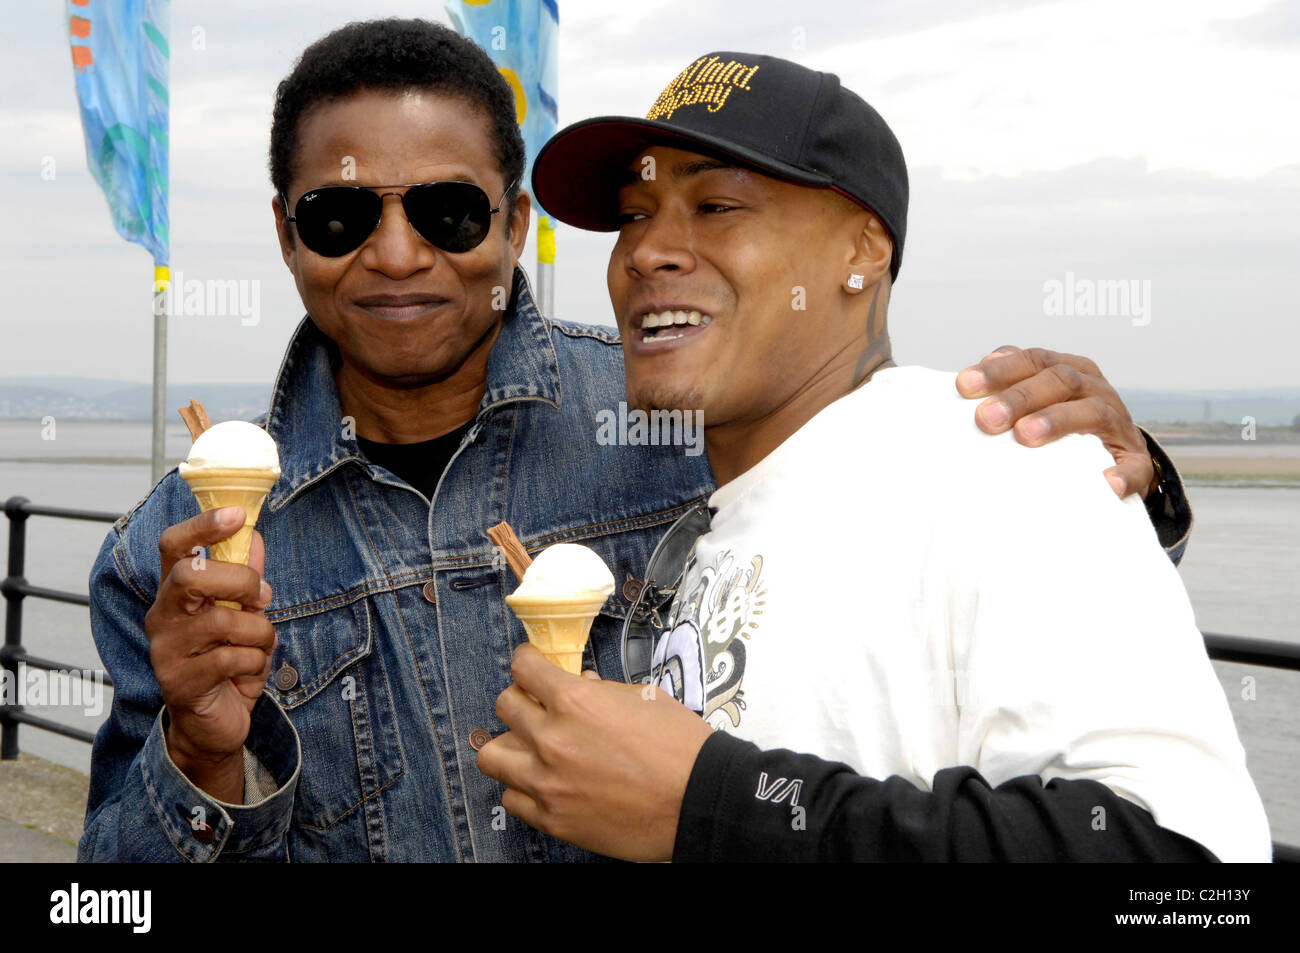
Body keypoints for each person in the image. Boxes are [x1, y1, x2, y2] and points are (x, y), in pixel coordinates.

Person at [81, 22, 1190, 863]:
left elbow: (917, 504)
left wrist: (1110, 472)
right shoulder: (163, 555)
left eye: (449, 213)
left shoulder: (688, 404)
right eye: (340, 215)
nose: (398, 253)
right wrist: (199, 753)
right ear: (285, 234)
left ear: (517, 226)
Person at [476, 51, 1271, 862]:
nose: (648, 252)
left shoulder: (1006, 459)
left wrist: (711, 805)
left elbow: (1187, 865)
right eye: (634, 215)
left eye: (715, 204)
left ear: (863, 249)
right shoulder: (710, 516)